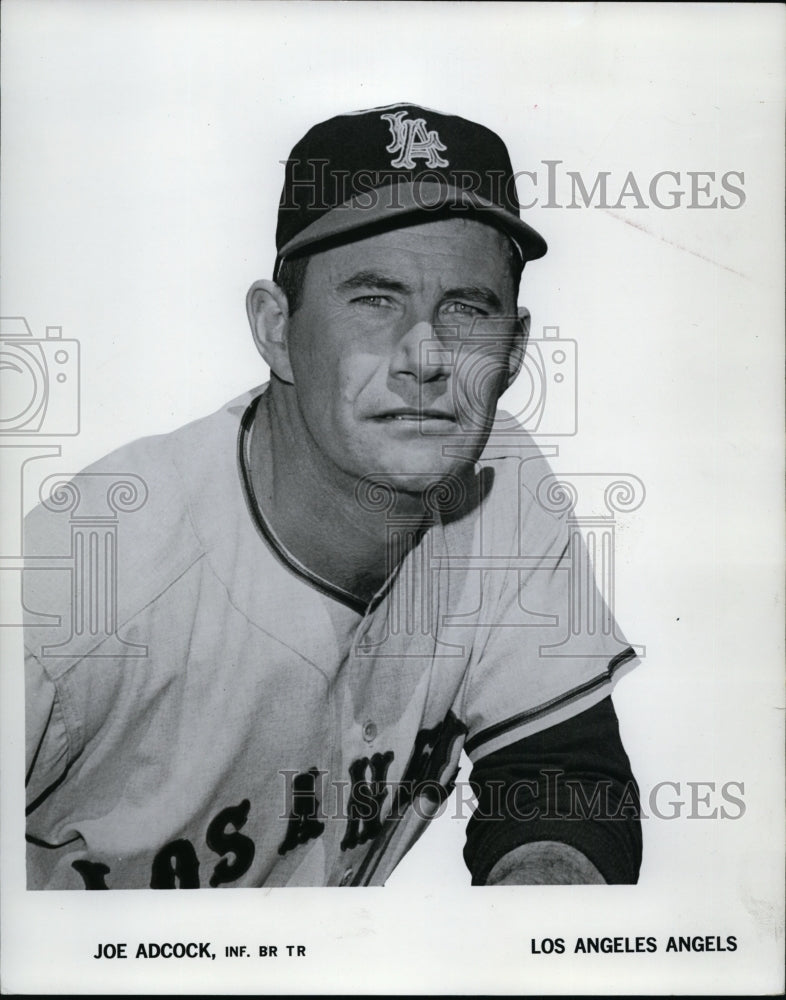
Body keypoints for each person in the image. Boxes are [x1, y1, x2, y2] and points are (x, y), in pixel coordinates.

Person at [24, 103, 642, 889]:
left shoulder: (504, 487)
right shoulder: (84, 580)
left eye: (466, 307)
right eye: (375, 300)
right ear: (277, 328)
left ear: (515, 348)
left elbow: (560, 779)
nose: (426, 355)